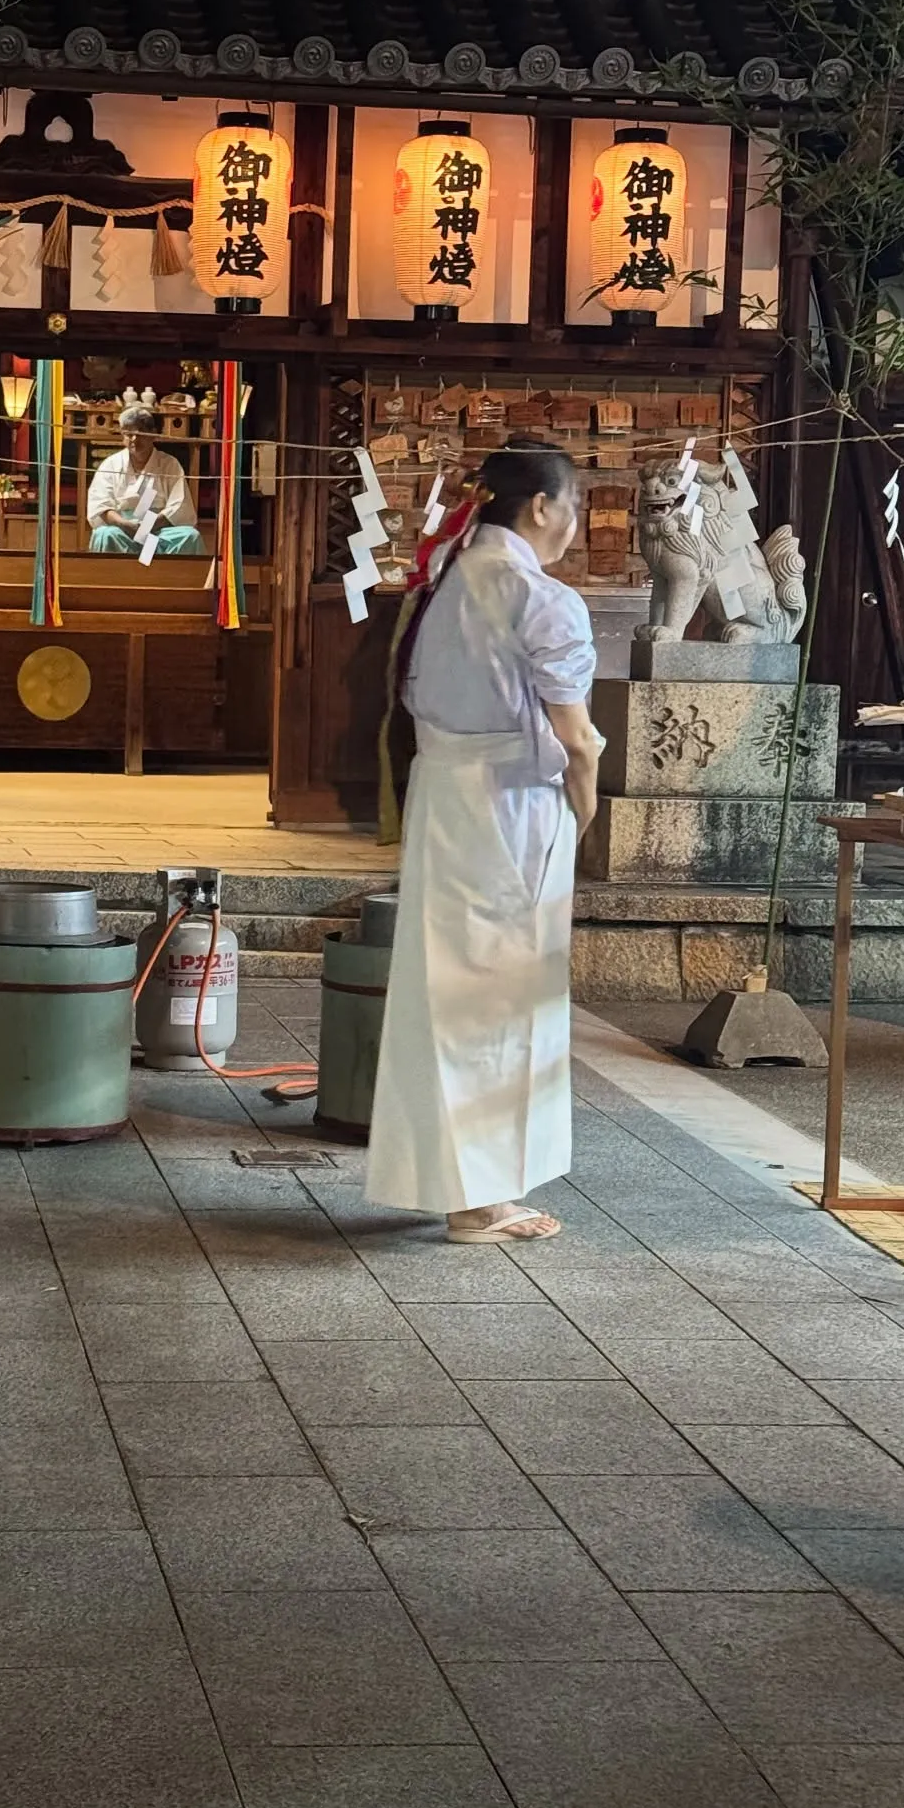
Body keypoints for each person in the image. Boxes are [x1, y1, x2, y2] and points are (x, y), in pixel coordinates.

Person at [365, 438, 600, 1245]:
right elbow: (578, 739)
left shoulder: (443, 579)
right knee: (502, 995)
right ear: (542, 506)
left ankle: (454, 1181)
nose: (574, 522)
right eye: (574, 506)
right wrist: (584, 812)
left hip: (443, 795)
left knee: (442, 990)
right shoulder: (540, 597)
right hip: (513, 804)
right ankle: (482, 1195)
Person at [87, 405, 204, 555]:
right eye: (129, 434)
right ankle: (129, 568)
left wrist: (146, 527)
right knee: (105, 534)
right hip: (123, 532)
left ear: (153, 434)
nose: (134, 439)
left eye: (140, 434)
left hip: (158, 531)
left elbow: (179, 506)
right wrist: (126, 525)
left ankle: (153, 565)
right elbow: (101, 505)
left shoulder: (169, 464)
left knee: (190, 536)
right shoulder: (111, 464)